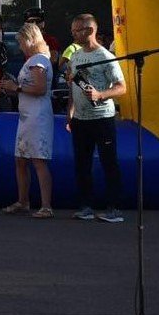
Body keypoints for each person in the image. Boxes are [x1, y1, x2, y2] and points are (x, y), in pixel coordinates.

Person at [63, 13, 126, 223]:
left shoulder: (106, 57)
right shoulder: (76, 56)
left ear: (90, 30)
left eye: (76, 31)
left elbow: (121, 87)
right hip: (80, 119)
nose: (73, 35)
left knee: (109, 162)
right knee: (82, 163)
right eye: (72, 31)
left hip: (102, 118)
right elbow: (73, 84)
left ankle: (114, 208)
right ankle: (86, 206)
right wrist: (70, 111)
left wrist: (100, 94)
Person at [0, 22, 55, 219]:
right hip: (27, 114)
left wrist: (16, 88)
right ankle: (23, 201)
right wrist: (13, 89)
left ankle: (46, 205)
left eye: (22, 42)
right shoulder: (33, 60)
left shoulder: (37, 61)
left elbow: (39, 89)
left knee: (38, 160)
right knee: (21, 159)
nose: (20, 46)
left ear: (30, 40)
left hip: (37, 116)